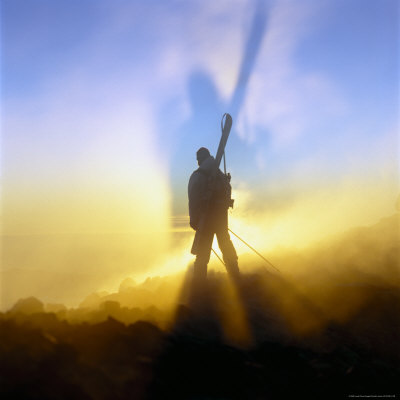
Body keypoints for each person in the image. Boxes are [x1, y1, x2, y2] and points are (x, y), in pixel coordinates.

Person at [188, 147, 240, 286]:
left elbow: (193, 199)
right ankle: (235, 276)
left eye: (198, 159)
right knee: (225, 243)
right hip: (221, 217)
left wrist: (194, 221)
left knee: (202, 253)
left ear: (200, 160)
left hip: (206, 219)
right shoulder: (220, 175)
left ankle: (199, 285)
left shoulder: (197, 176)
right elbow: (228, 191)